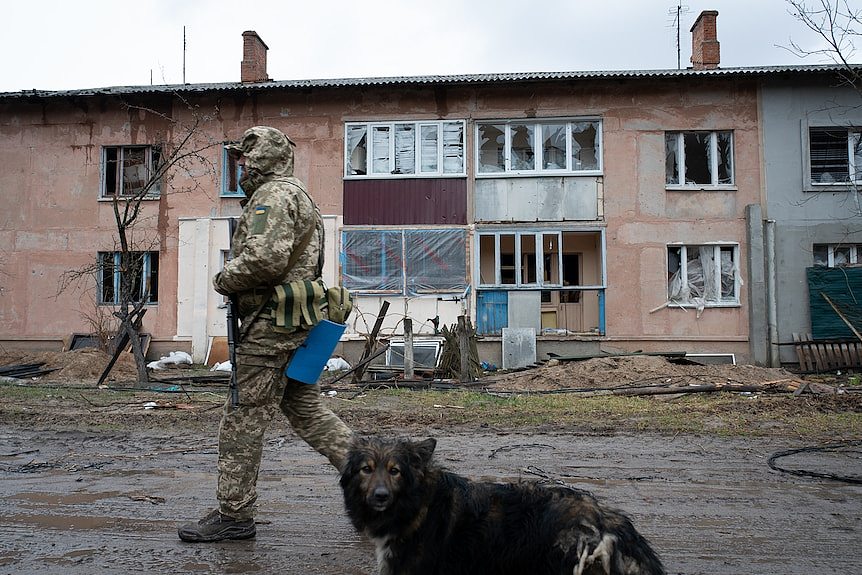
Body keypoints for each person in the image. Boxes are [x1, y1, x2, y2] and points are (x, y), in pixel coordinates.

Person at [178, 126, 353, 543]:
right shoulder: (299, 195)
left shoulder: (272, 196)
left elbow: (264, 260)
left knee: (242, 418)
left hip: (269, 326)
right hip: (295, 322)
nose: (239, 165)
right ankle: (390, 493)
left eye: (244, 158)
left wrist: (223, 279)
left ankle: (234, 515)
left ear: (262, 160)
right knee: (307, 411)